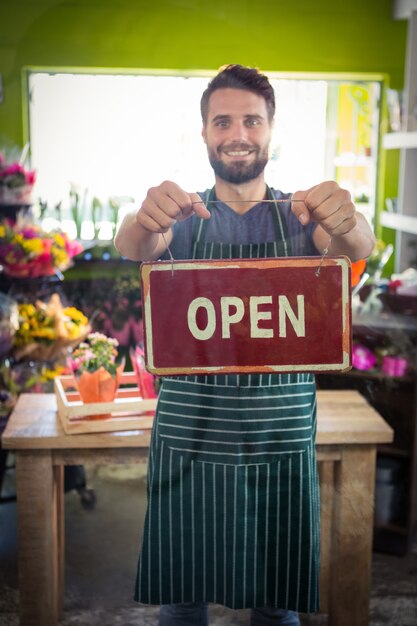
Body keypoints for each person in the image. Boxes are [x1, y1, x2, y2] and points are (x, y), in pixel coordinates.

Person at [114, 64, 375, 626]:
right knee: (182, 605)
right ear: (205, 133)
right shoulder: (180, 219)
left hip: (279, 442)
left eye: (251, 121)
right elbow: (134, 241)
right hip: (189, 442)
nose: (238, 133)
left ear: (271, 129)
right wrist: (144, 215)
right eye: (223, 121)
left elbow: (357, 245)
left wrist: (348, 217)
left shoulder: (306, 218)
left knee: (276, 607)